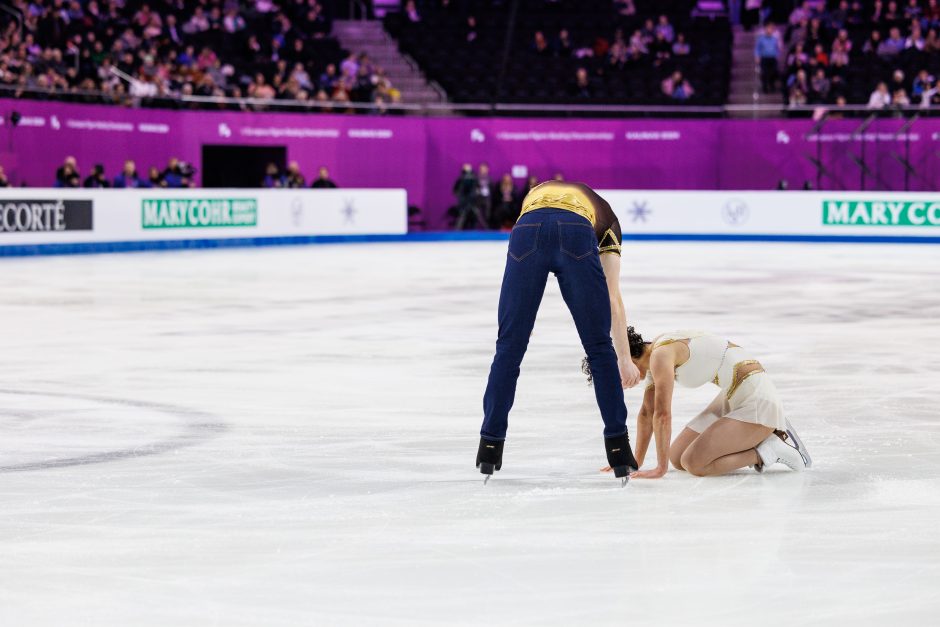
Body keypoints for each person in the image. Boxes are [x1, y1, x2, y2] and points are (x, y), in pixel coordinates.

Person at [476, 181, 641, 483]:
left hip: (528, 228)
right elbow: (612, 298)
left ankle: (489, 445)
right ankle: (619, 449)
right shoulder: (609, 221)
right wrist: (625, 359)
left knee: (509, 348)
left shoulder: (538, 192)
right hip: (577, 231)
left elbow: (540, 222)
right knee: (599, 349)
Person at [607, 328, 811, 479]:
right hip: (733, 397)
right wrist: (634, 462)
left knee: (694, 463)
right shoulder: (655, 354)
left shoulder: (660, 355)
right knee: (677, 458)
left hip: (758, 399)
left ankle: (770, 450)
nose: (622, 384)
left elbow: (662, 415)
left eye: (617, 377)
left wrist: (660, 469)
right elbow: (646, 413)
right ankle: (759, 437)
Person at [452, 164, 486, 229]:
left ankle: (487, 230)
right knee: (462, 215)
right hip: (464, 201)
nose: (468, 175)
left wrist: (475, 192)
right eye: (466, 171)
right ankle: (456, 231)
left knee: (477, 214)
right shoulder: (460, 179)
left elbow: (478, 188)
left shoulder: (474, 179)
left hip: (473, 201)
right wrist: (460, 195)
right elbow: (455, 190)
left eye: (469, 171)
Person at [755, 22, 781, 94]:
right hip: (764, 58)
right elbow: (757, 48)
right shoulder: (761, 39)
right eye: (768, 28)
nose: (770, 30)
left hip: (773, 58)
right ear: (765, 29)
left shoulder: (774, 39)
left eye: (771, 28)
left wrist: (777, 55)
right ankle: (765, 87)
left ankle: (772, 86)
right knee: (764, 73)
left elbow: (777, 48)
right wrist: (757, 56)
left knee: (773, 72)